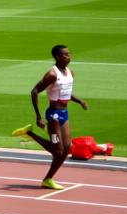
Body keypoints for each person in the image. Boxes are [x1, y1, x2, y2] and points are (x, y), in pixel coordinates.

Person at [12, 45, 88, 190]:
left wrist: (80, 101)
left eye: (69, 54)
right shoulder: (52, 75)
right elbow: (34, 91)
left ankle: (48, 180)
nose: (69, 56)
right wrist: (38, 117)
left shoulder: (70, 72)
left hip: (64, 114)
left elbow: (66, 93)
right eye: (65, 55)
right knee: (57, 151)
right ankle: (29, 133)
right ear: (57, 57)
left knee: (66, 150)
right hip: (53, 115)